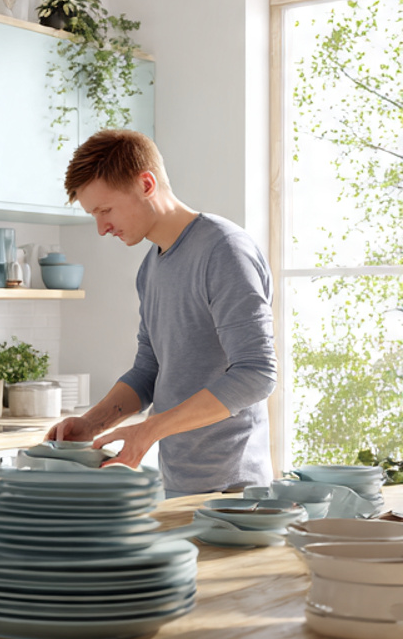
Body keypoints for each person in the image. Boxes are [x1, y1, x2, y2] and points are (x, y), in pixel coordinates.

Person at [46, 129, 277, 495]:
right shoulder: (150, 269)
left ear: (146, 184)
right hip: (178, 485)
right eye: (94, 215)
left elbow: (256, 373)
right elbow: (148, 371)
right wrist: (91, 424)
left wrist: (149, 430)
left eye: (105, 210)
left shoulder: (224, 250)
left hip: (235, 493)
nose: (102, 228)